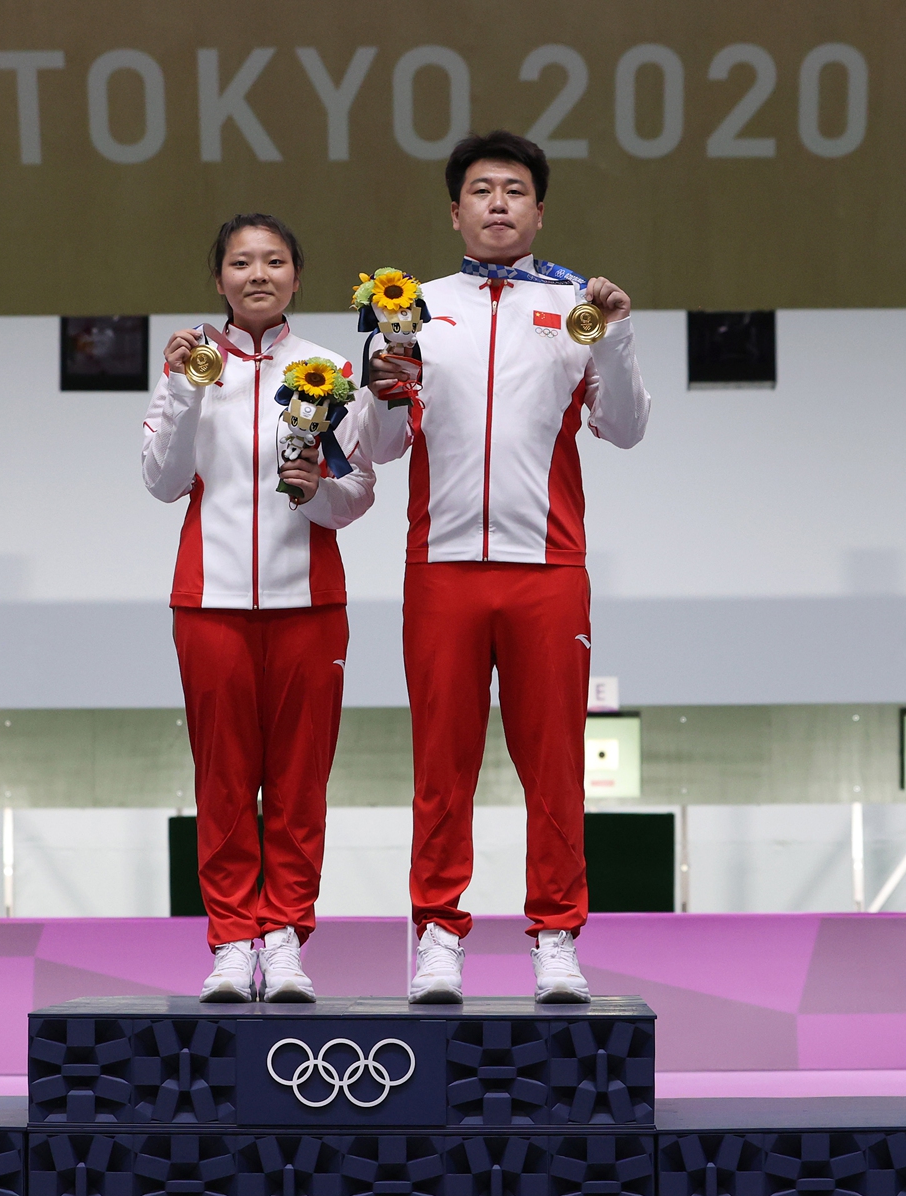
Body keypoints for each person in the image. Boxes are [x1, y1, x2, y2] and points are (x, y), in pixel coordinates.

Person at [367, 131, 651, 1004]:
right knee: (439, 765)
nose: (497, 203)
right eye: (481, 190)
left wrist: (614, 338)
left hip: (546, 568)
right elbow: (376, 449)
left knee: (554, 763)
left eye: (514, 190)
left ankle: (556, 937)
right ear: (454, 211)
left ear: (538, 211)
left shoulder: (576, 309)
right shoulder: (411, 306)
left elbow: (627, 428)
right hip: (441, 566)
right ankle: (437, 938)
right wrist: (381, 382)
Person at [143, 213, 403, 1003]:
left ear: (297, 276)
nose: (258, 273)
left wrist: (315, 491)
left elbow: (358, 494)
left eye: (275, 261)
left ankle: (284, 938)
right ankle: (229, 942)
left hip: (308, 604)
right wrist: (188, 389)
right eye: (241, 262)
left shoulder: (327, 369)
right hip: (211, 602)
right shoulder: (188, 366)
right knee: (222, 783)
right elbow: (160, 480)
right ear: (218, 278)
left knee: (298, 785)